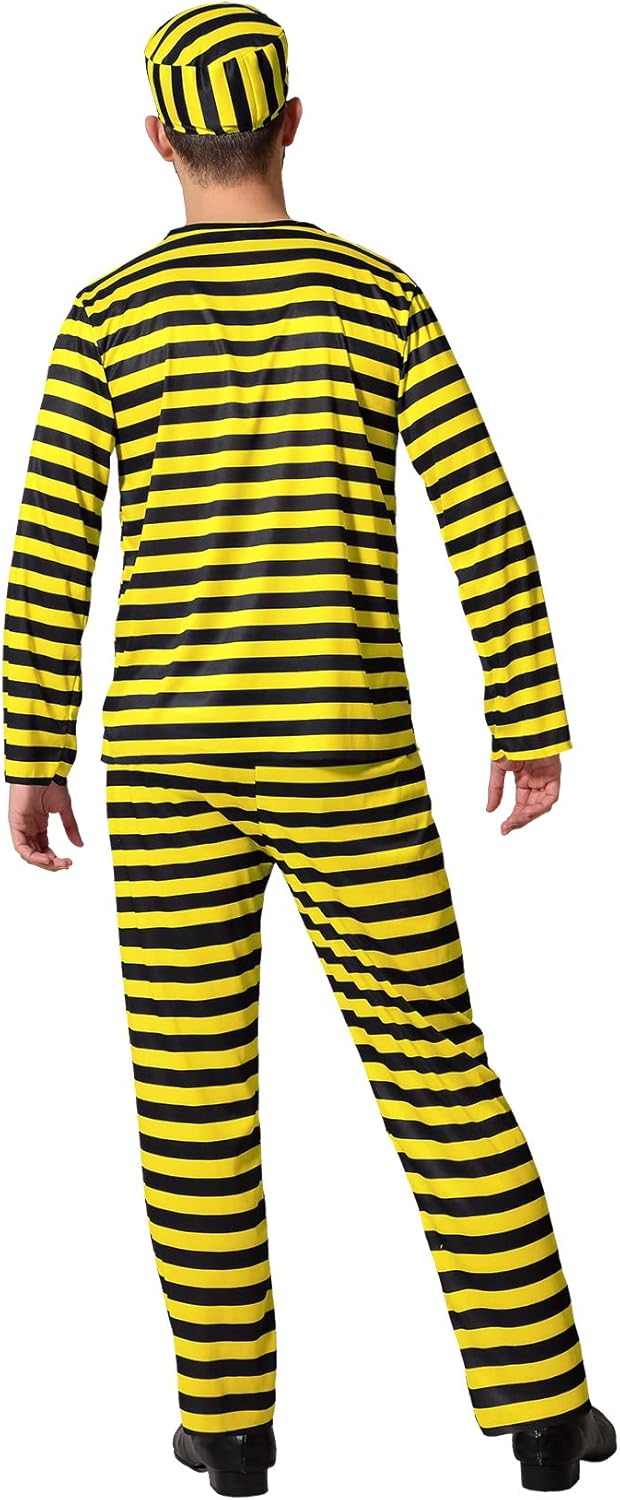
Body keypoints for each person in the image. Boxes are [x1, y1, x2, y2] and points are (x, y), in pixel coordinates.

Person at [2, 4, 615, 1495]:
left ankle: (227, 1429)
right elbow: (483, 513)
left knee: (193, 1096)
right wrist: (527, 719)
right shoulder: (378, 297)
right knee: (438, 1065)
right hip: (351, 757)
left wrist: (31, 753)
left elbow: (50, 552)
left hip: (165, 767)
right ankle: (546, 1412)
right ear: (292, 123)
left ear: (158, 141)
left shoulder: (105, 318)